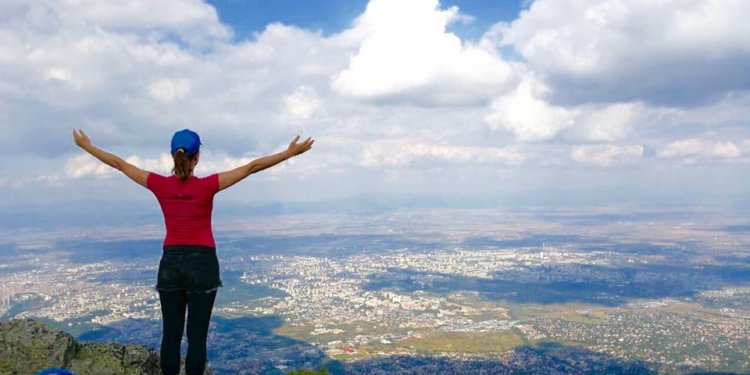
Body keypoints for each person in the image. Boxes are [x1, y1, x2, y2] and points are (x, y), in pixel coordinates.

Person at [72, 128, 314, 375]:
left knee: (171, 335)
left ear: (171, 155)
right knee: (197, 338)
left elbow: (119, 164)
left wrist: (86, 146)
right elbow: (251, 167)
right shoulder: (208, 186)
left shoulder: (160, 185)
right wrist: (289, 153)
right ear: (197, 157)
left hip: (170, 263)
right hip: (203, 263)